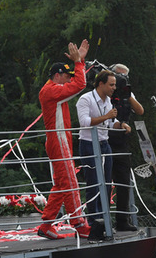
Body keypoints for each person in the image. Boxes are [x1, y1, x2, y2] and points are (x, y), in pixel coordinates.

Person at [37, 39, 93, 240]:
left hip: (60, 141)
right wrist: (78, 63)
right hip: (58, 141)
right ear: (57, 75)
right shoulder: (51, 91)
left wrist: (81, 61)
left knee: (62, 184)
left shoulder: (52, 90)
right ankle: (79, 223)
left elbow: (77, 82)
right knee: (70, 182)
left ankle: (46, 224)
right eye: (66, 76)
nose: (69, 80)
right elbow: (80, 84)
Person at [76, 69, 119, 219]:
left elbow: (110, 122)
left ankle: (104, 218)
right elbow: (84, 122)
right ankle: (94, 220)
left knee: (107, 182)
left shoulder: (108, 100)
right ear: (101, 84)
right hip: (88, 144)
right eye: (111, 84)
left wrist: (121, 125)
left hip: (104, 144)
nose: (114, 88)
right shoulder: (85, 99)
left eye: (114, 85)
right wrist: (106, 116)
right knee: (93, 183)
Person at [108, 63, 144, 232]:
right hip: (105, 138)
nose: (121, 81)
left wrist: (127, 94)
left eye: (124, 77)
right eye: (118, 76)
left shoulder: (126, 92)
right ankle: (102, 221)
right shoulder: (104, 92)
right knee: (106, 181)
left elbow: (140, 110)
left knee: (123, 181)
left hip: (122, 139)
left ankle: (123, 219)